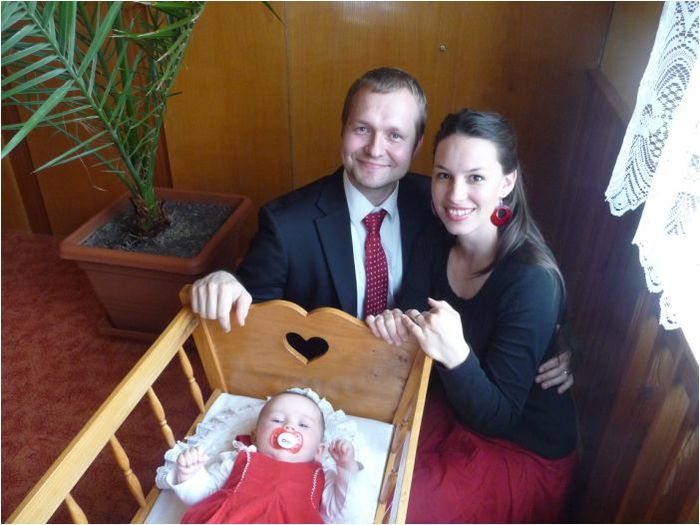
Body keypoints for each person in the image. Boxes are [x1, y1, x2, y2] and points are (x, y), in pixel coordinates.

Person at [190, 66, 573, 393]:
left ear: (417, 144)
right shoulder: (286, 223)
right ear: (343, 129)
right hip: (324, 388)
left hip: (424, 388)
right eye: (362, 128)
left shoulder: (443, 203)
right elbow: (251, 317)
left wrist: (555, 339)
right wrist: (226, 279)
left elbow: (515, 265)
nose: (375, 148)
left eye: (394, 135)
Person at [367, 109, 578, 523]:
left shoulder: (531, 280)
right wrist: (395, 324)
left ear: (507, 182)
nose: (455, 195)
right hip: (449, 404)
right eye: (444, 175)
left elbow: (499, 416)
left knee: (403, 510)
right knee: (363, 467)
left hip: (517, 444)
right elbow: (411, 315)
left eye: (476, 178)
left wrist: (456, 354)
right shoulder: (435, 234)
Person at [163, 390, 365, 523]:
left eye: (303, 425)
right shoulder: (240, 459)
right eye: (277, 420)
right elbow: (204, 497)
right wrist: (190, 474)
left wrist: (346, 468)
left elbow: (344, 512)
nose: (289, 427)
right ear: (255, 436)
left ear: (318, 450)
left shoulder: (321, 476)